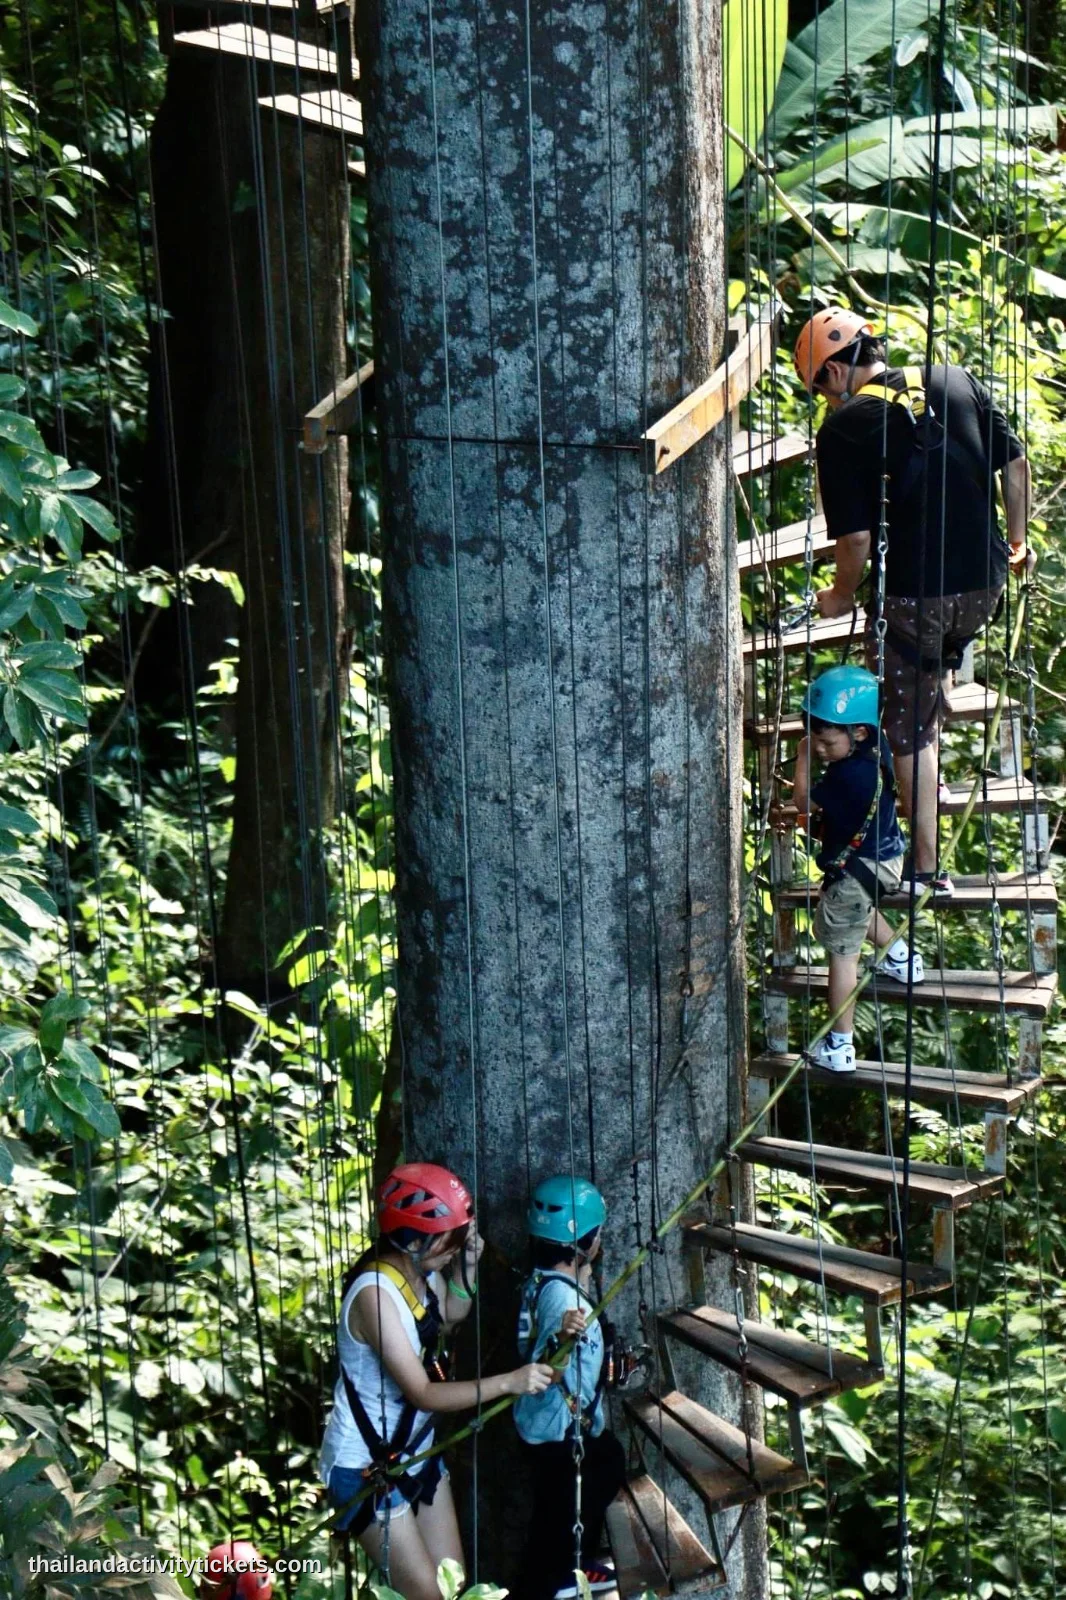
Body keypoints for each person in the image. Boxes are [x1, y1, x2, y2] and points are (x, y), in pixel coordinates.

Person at [793, 307, 1033, 897]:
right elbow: (1016, 462)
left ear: (830, 374)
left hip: (914, 600)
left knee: (906, 730)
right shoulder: (954, 378)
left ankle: (925, 867)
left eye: (820, 389)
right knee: (933, 664)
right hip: (986, 583)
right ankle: (933, 760)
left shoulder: (845, 428)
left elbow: (854, 540)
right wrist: (1020, 540)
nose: (826, 401)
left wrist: (839, 596)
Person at [320, 1162, 555, 1600]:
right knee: (428, 1595)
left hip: (414, 1450)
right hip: (364, 1463)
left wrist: (465, 1265)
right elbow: (423, 1392)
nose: (456, 1246)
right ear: (414, 1240)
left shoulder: (420, 1270)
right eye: (450, 1239)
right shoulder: (375, 1294)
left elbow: (448, 1316)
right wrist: (510, 1383)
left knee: (454, 1584)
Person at [791, 667, 923, 1074]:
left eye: (827, 741)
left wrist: (801, 758)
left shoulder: (844, 775)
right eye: (816, 740)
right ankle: (902, 957)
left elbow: (801, 804)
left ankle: (840, 1044)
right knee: (856, 907)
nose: (820, 748)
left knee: (842, 955)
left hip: (853, 869)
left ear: (858, 733)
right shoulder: (879, 749)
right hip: (886, 862)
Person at [514, 1176, 627, 1600]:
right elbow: (548, 1371)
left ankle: (571, 1566)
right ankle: (560, 1578)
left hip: (547, 1425)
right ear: (587, 1240)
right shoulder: (562, 1301)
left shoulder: (544, 1281)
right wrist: (563, 1338)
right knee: (554, 1528)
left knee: (602, 1464)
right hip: (558, 1429)